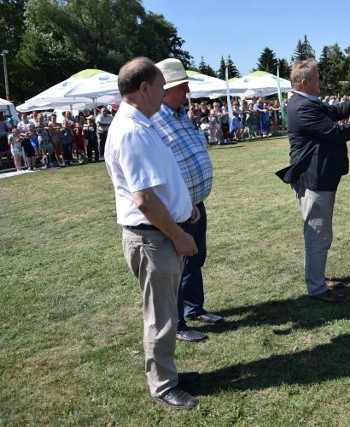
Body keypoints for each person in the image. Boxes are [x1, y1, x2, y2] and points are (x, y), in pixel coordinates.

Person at [104, 57, 200, 409]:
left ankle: (167, 374)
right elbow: (143, 200)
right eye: (161, 87)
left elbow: (156, 186)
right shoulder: (132, 130)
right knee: (160, 317)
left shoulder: (141, 124)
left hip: (157, 234)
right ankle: (162, 385)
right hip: (153, 238)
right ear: (144, 88)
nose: (165, 94)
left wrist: (184, 205)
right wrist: (178, 234)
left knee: (166, 313)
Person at [276, 58, 350, 303]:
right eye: (317, 78)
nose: (321, 81)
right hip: (313, 180)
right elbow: (336, 132)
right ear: (305, 82)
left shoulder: (307, 102)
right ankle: (317, 288)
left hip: (318, 177)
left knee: (319, 234)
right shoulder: (301, 107)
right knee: (318, 235)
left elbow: (336, 111)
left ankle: (318, 278)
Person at [151, 58, 221, 343]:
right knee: (177, 266)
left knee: (195, 259)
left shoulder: (180, 115)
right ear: (165, 91)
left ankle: (194, 309)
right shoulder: (155, 121)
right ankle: (178, 323)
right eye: (182, 86)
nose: (188, 90)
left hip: (195, 204)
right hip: (177, 208)